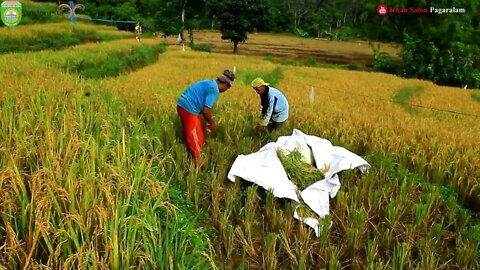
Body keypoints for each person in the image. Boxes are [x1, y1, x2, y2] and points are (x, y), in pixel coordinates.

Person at [177, 70, 235, 165]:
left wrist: (207, 121)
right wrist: (211, 123)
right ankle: (198, 164)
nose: (226, 90)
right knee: (195, 138)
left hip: (184, 105)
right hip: (188, 109)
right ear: (226, 85)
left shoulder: (209, 83)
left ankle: (193, 155)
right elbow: (206, 110)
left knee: (198, 133)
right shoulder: (214, 90)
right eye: (228, 88)